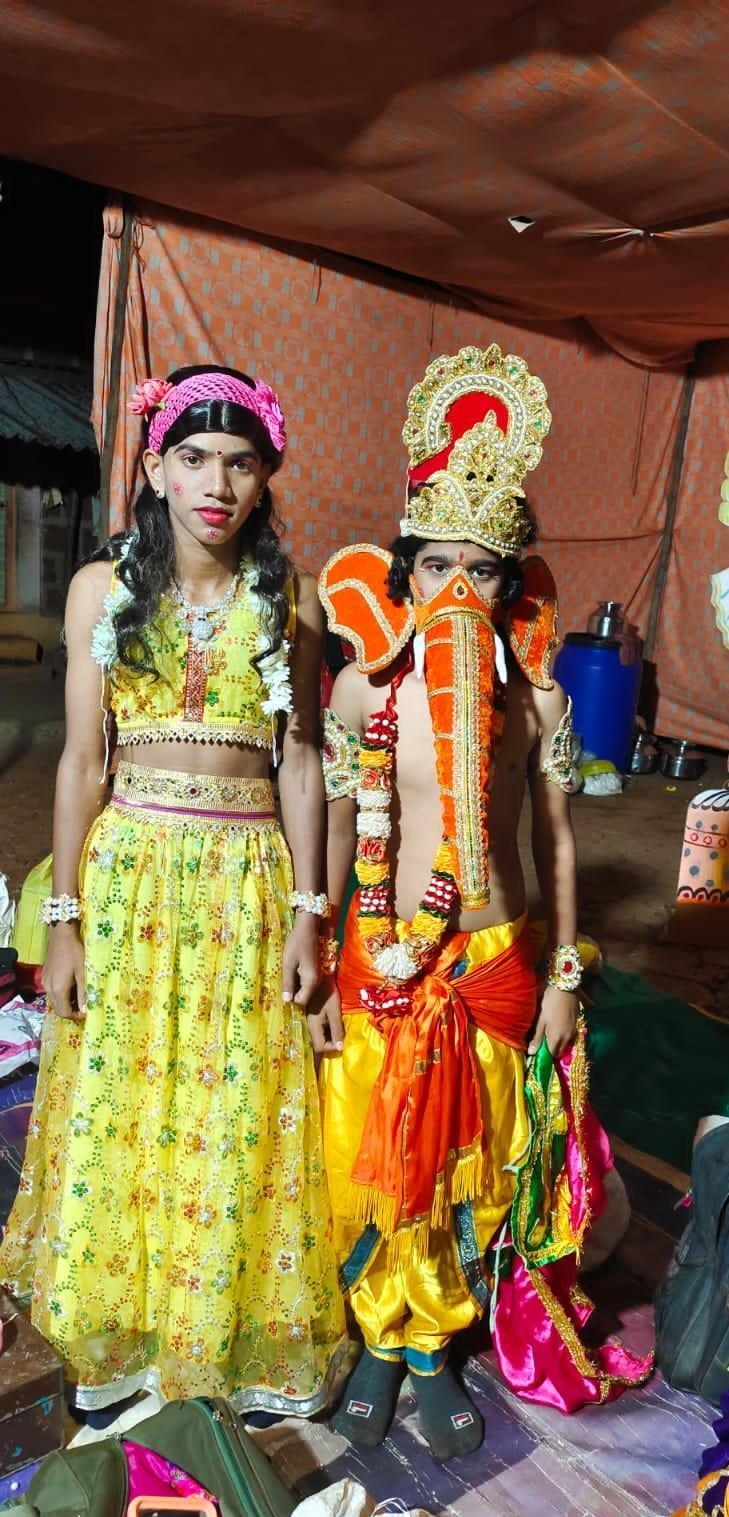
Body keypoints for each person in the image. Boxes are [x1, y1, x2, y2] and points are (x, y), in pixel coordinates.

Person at [316, 344, 650, 1461]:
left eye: (483, 569)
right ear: (400, 576)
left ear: (515, 589)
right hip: (383, 954)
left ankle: (436, 1347)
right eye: (435, 564)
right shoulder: (362, 690)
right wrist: (318, 953)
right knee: (379, 1152)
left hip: (497, 954)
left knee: (480, 1153)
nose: (457, 587)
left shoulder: (539, 704)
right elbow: (336, 832)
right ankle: (380, 1336)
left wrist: (563, 979)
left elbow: (556, 842)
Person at [0, 365, 345, 1421]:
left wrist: (310, 915)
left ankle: (215, 1332)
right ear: (155, 468)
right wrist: (63, 920)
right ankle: (116, 1330)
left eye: (240, 463)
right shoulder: (101, 590)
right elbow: (80, 762)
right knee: (122, 1094)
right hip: (130, 875)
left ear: (265, 477)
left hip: (247, 880)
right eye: (193, 457)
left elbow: (300, 762)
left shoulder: (290, 598)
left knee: (232, 1102)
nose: (216, 483)